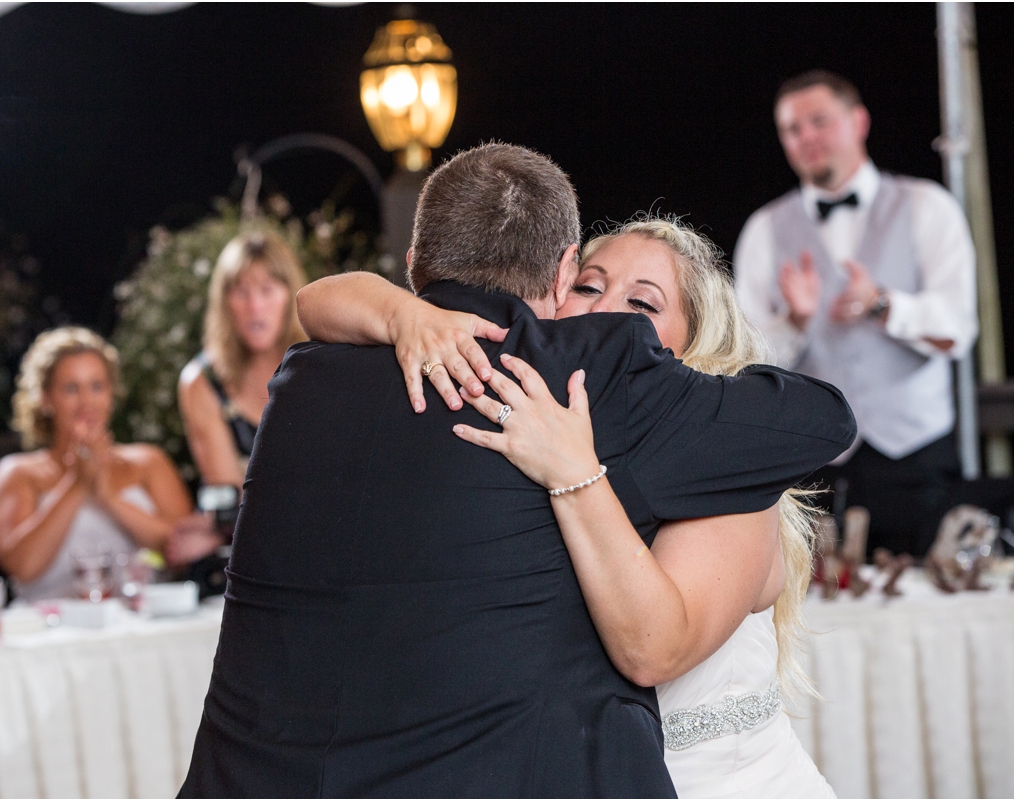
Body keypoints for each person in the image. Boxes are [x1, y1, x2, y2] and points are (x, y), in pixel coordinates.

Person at [178, 143, 855, 797]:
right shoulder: (569, 376)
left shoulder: (302, 380)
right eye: (591, 285)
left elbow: (654, 645)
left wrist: (575, 468)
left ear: (416, 264)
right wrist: (399, 313)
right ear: (561, 281)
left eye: (642, 307)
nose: (609, 315)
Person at [733, 69, 978, 557]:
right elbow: (744, 359)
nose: (806, 138)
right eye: (791, 129)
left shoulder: (928, 206)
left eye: (818, 121)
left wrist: (883, 304)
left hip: (917, 456)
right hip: (811, 464)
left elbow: (958, 329)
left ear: (859, 121)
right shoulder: (763, 230)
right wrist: (795, 324)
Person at [0, 327, 192, 602]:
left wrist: (108, 499)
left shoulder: (149, 462)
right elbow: (22, 566)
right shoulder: (17, 473)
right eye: (71, 388)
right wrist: (77, 484)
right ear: (45, 399)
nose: (86, 402)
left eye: (97, 386)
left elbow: (184, 552)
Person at [168, 232, 307, 571]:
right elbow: (235, 506)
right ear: (224, 301)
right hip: (251, 558)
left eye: (267, 290)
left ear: (291, 295)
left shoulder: (317, 365)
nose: (254, 306)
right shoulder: (201, 382)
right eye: (241, 291)